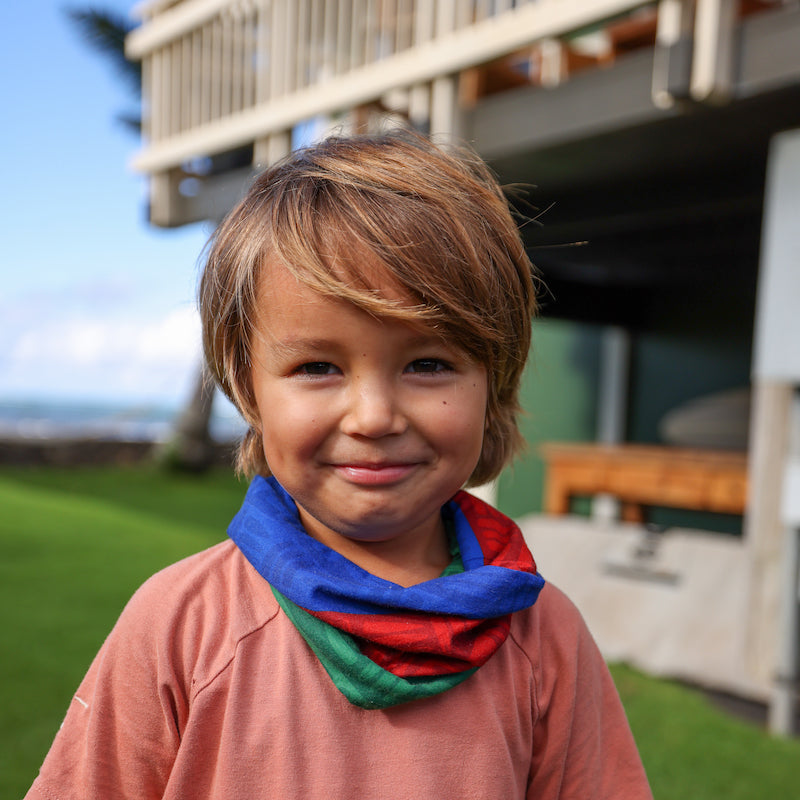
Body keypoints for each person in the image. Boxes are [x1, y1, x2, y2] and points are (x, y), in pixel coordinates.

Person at [26, 130, 652, 799]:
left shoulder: (543, 636)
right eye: (317, 367)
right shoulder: (180, 625)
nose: (374, 416)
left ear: (493, 380)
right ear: (247, 388)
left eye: (428, 363)